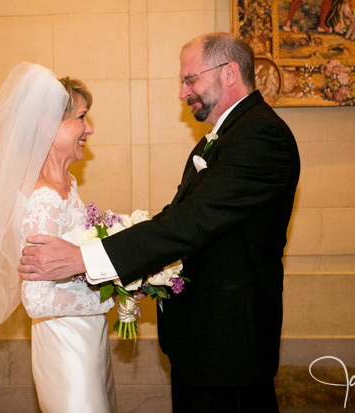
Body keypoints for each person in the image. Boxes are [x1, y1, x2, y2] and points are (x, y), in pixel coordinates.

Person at [19, 32, 300, 412]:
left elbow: (191, 223)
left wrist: (87, 260)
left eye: (190, 79)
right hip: (205, 345)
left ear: (229, 73)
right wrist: (130, 276)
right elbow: (179, 220)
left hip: (229, 345)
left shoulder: (261, 136)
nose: (184, 93)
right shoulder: (215, 142)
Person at [0, 62, 117, 412]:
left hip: (88, 340)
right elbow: (37, 300)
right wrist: (108, 296)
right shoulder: (43, 198)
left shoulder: (68, 184)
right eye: (82, 118)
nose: (90, 129)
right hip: (66, 349)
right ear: (48, 123)